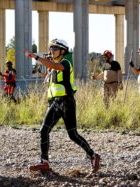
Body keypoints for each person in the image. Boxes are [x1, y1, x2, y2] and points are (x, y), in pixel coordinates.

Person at [25, 38, 101, 174]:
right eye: (51, 48)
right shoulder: (53, 67)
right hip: (56, 102)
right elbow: (52, 74)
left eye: (54, 49)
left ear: (62, 51)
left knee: (72, 134)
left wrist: (36, 57)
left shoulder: (65, 63)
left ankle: (93, 156)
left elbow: (55, 66)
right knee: (44, 131)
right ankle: (44, 163)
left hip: (66, 102)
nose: (51, 51)